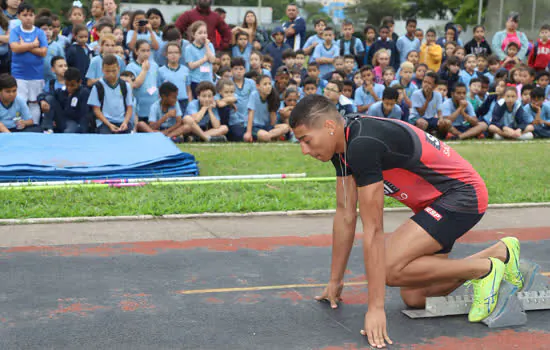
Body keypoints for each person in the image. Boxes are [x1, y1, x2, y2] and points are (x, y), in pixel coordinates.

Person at [289, 93, 525, 348]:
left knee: (389, 268)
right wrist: (334, 282)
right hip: (435, 204)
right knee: (416, 296)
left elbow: (373, 229)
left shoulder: (362, 144)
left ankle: (485, 270)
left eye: (306, 140)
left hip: (462, 196)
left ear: (329, 126)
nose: (304, 150)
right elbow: (345, 214)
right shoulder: (342, 148)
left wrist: (376, 309)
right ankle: (500, 253)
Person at [8, 2, 47, 125]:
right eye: (25, 15)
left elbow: (43, 52)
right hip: (19, 74)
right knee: (20, 101)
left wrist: (24, 46)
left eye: (31, 14)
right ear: (19, 16)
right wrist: (33, 45)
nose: (28, 17)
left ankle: (34, 125)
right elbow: (14, 48)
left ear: (34, 16)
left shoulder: (40, 32)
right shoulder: (15, 31)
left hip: (36, 75)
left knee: (34, 102)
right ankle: (19, 126)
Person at [87, 54, 134, 134]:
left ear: (118, 69)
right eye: (107, 71)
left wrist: (125, 122)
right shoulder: (98, 86)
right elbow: (96, 109)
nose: (111, 74)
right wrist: (109, 125)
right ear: (102, 70)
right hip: (104, 123)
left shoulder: (125, 86)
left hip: (122, 121)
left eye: (114, 71)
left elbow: (129, 107)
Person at [41, 67, 91, 133]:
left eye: (72, 85)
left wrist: (82, 130)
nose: (69, 88)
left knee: (68, 133)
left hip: (75, 122)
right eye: (67, 84)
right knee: (49, 98)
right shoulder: (62, 90)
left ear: (79, 82)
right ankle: (47, 128)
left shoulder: (84, 93)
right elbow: (44, 95)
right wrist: (42, 101)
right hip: (62, 119)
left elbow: (85, 115)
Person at [410, 72, 451, 137]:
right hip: (417, 118)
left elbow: (439, 110)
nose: (425, 84)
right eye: (424, 82)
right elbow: (421, 113)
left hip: (431, 118)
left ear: (435, 86)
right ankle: (421, 138)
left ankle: (440, 138)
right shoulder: (416, 94)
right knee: (422, 123)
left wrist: (440, 119)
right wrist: (427, 100)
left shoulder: (438, 95)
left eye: (429, 83)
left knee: (447, 122)